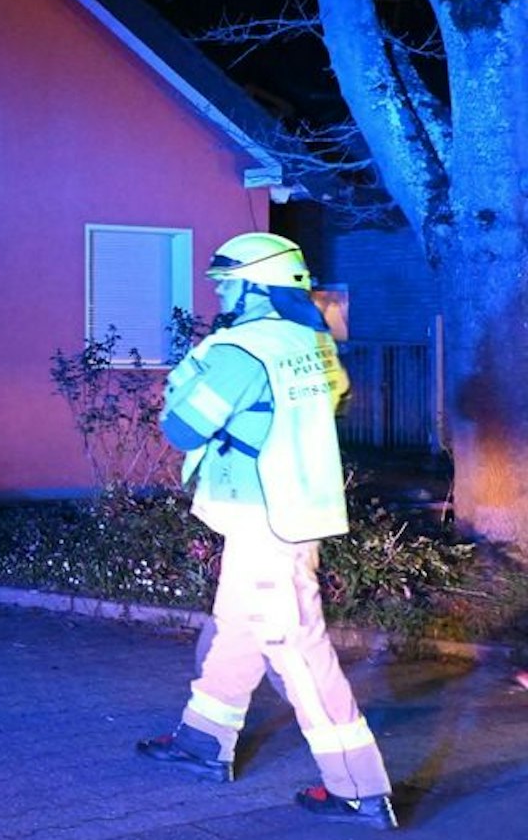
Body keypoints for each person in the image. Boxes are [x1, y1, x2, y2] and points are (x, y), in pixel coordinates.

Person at [136, 232, 398, 830]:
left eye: (227, 280)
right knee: (237, 626)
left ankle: (360, 789)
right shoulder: (311, 341)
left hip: (261, 518)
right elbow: (330, 402)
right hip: (293, 512)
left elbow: (182, 428)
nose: (221, 291)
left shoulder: (237, 350)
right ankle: (203, 744)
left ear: (258, 283)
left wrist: (182, 380)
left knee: (297, 649)